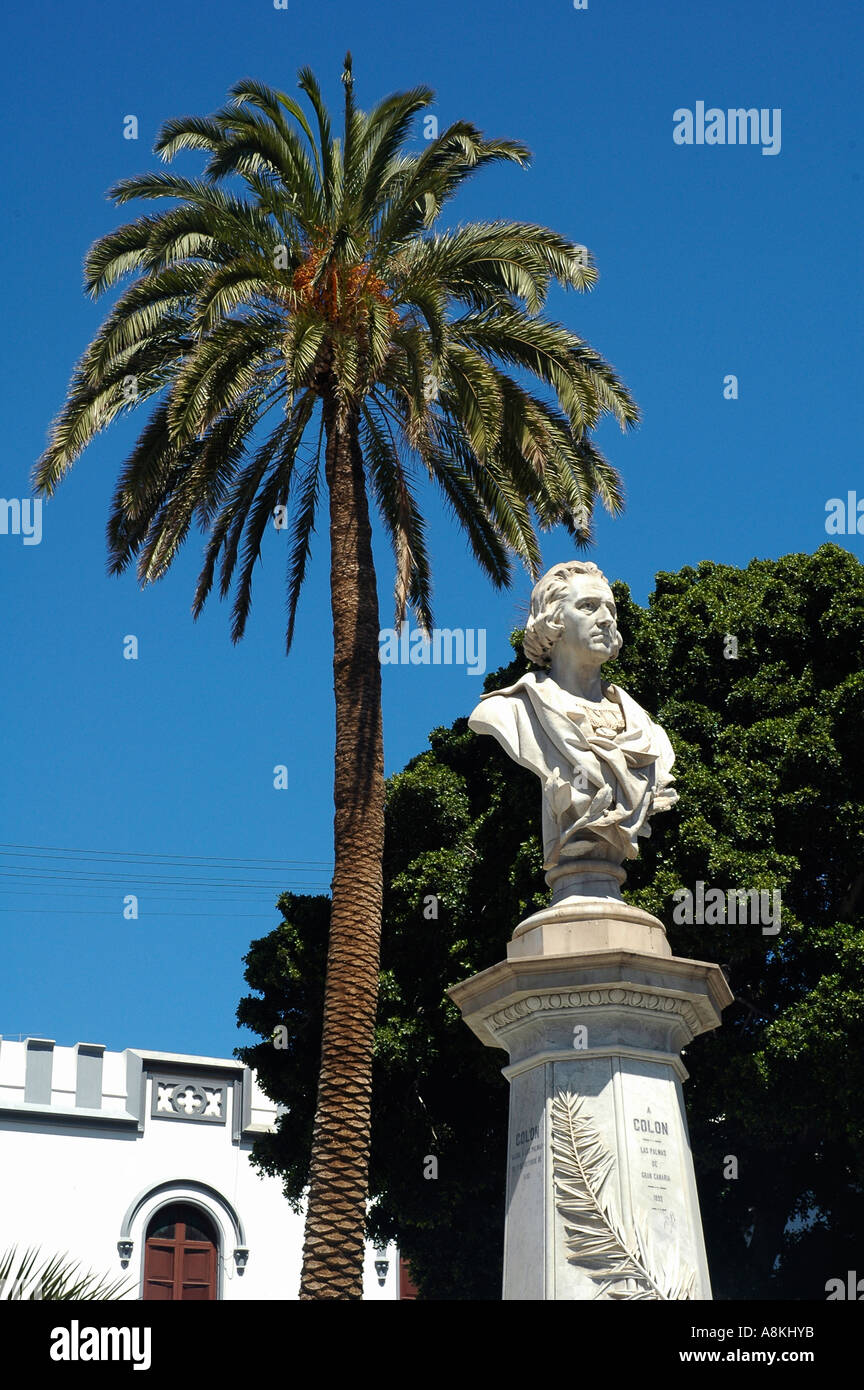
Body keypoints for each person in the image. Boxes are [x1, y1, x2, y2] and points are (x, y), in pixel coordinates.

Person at [468, 561, 677, 871]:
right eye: (588, 607)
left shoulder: (647, 730)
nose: (607, 619)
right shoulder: (512, 712)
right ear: (553, 621)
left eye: (610, 609)